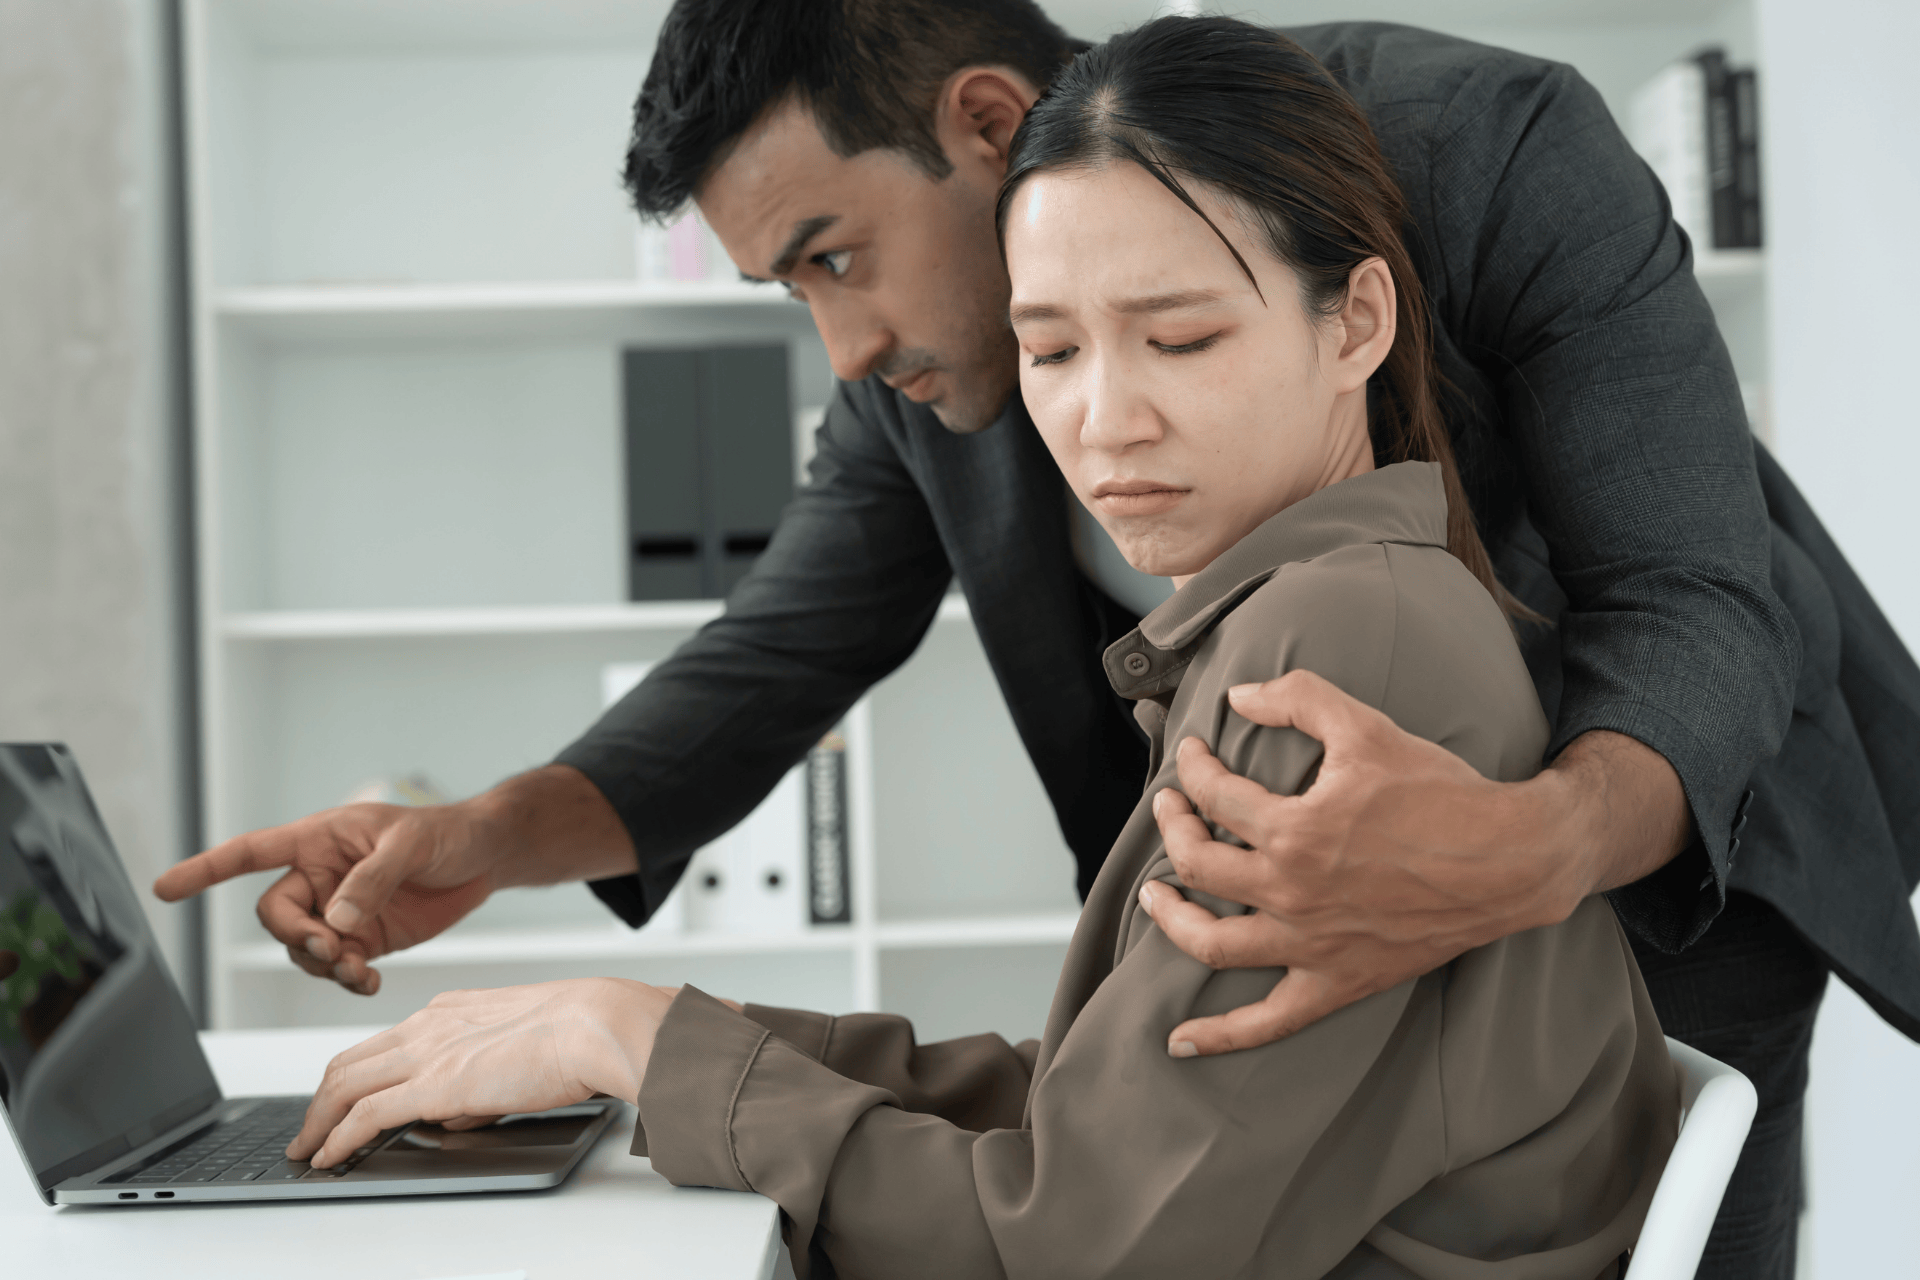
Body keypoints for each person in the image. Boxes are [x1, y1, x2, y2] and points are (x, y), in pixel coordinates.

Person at [152, 2, 1920, 1274]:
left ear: (988, 127)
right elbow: (770, 661)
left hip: (1666, 862)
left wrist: (1519, 851)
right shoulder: (938, 389)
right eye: (1061, 346)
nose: (842, 346)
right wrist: (481, 842)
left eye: (835, 256)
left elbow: (1699, 604)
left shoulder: (1474, 156)